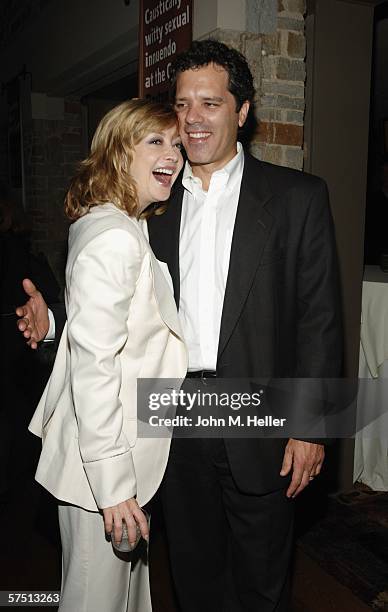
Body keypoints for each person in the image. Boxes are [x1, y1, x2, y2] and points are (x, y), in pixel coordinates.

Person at [17, 41, 342, 611]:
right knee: (193, 572)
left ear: (242, 112)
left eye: (210, 103)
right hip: (171, 414)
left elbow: (319, 318)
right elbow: (121, 316)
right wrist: (52, 325)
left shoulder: (298, 198)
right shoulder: (154, 203)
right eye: (183, 103)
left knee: (264, 577)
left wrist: (311, 426)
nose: (192, 117)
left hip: (259, 413)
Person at [24, 99, 186, 612]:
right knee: (95, 600)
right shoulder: (115, 236)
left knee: (124, 599)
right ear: (118, 154)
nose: (174, 155)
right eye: (156, 142)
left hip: (114, 455)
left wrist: (54, 324)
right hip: (101, 468)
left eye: (177, 145)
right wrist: (114, 487)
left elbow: (104, 331)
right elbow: (96, 369)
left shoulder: (118, 223)